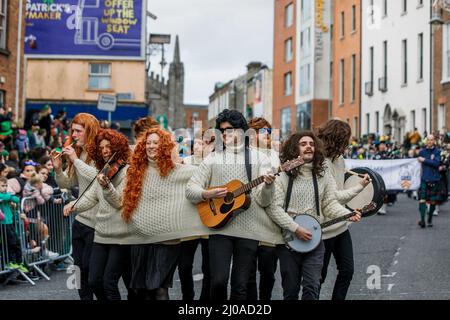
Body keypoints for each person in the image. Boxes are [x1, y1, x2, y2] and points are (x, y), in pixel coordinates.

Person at [186, 109, 282, 300]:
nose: (224, 134)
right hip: (219, 229)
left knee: (241, 286)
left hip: (249, 230)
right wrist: (207, 193)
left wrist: (269, 186)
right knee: (218, 281)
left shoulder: (259, 158)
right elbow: (190, 190)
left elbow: (263, 200)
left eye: (228, 129)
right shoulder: (213, 158)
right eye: (221, 130)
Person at [265, 131, 361, 300]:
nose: (309, 146)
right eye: (303, 144)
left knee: (312, 287)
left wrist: (347, 214)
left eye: (311, 144)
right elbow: (274, 208)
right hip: (288, 241)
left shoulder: (322, 173)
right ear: (294, 149)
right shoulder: (283, 174)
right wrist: (296, 228)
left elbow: (329, 204)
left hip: (315, 241)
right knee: (291, 291)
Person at [122, 128, 209, 300]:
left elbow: (204, 174)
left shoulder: (176, 170)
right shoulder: (135, 171)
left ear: (164, 146)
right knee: (142, 290)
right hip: (141, 238)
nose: (151, 146)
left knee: (159, 289)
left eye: (156, 143)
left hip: (166, 240)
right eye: (148, 143)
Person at [64, 129, 139, 300]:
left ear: (118, 148)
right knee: (94, 280)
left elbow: (118, 201)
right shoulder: (104, 170)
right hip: (101, 233)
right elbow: (91, 197)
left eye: (109, 146)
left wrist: (107, 187)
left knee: (109, 282)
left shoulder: (128, 171)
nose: (105, 150)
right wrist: (74, 205)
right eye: (102, 147)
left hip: (120, 235)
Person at [316, 119, 371, 300]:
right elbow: (335, 196)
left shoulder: (339, 159)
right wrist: (360, 187)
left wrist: (357, 180)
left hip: (340, 226)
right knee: (318, 278)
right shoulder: (322, 163)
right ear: (337, 139)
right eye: (346, 139)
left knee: (347, 271)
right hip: (324, 228)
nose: (348, 143)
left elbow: (344, 182)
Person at [52, 113, 100, 300]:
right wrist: (57, 168)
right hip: (79, 220)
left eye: (78, 131)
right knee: (79, 272)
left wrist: (76, 160)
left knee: (91, 272)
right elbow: (67, 183)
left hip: (96, 223)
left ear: (89, 131)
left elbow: (97, 179)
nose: (74, 135)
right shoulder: (77, 152)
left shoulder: (98, 152)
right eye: (73, 131)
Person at [177, 130, 214, 300]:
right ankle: (187, 297)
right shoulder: (184, 162)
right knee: (184, 265)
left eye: (203, 143)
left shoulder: (214, 163)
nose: (199, 146)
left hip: (209, 220)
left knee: (209, 267)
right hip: (188, 221)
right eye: (197, 143)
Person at [246, 117, 280, 300]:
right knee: (248, 274)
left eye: (269, 131)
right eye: (263, 131)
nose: (268, 135)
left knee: (268, 273)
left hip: (270, 223)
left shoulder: (276, 155)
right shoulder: (244, 156)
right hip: (248, 221)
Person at [0, 176, 27, 272]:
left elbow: (17, 199)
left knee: (16, 242)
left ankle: (19, 263)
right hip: (3, 223)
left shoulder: (6, 194)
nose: (5, 187)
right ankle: (10, 262)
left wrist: (9, 197)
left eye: (6, 185)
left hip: (10, 222)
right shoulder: (4, 195)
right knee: (9, 243)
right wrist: (9, 197)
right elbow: (6, 197)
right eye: (2, 185)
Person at [417, 135, 442, 228]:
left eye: (432, 140)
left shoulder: (437, 152)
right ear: (426, 141)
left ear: (434, 141)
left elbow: (436, 163)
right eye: (428, 140)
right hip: (424, 179)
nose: (430, 141)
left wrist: (424, 160)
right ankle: (422, 220)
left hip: (434, 179)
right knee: (422, 200)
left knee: (432, 201)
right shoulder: (422, 152)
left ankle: (430, 219)